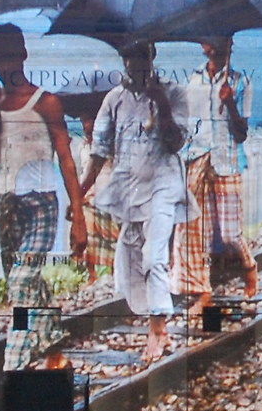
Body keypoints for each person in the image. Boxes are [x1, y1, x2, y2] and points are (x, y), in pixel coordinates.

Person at [0, 25, 89, 370]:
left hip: (42, 202)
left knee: (21, 281)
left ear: (23, 55)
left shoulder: (47, 103)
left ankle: (15, 363)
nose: (4, 65)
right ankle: (54, 352)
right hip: (5, 203)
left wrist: (79, 216)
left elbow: (66, 160)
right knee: (28, 282)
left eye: (9, 56)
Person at [80, 41, 192, 362]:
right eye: (129, 60)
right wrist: (80, 190)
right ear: (124, 61)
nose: (134, 66)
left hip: (163, 184)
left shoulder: (174, 93)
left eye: (141, 58)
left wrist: (162, 106)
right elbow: (99, 149)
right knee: (128, 261)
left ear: (151, 57)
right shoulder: (114, 100)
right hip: (130, 188)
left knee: (154, 255)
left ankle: (157, 328)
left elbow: (178, 141)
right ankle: (154, 316)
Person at [174, 34, 257, 317]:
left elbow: (242, 133)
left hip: (228, 162)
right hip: (197, 160)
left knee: (231, 232)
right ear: (204, 46)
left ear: (230, 46)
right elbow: (186, 124)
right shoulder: (193, 81)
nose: (217, 46)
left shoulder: (240, 81)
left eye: (224, 41)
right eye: (212, 40)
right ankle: (202, 291)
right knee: (194, 230)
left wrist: (231, 103)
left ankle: (249, 267)